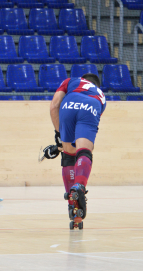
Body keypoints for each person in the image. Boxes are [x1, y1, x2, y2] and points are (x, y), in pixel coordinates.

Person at [44, 73, 106, 223]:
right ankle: (79, 186)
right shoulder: (101, 95)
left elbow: (54, 106)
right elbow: (85, 131)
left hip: (69, 104)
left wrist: (59, 136)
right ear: (96, 85)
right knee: (84, 152)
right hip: (91, 105)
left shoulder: (71, 81)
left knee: (69, 154)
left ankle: (72, 204)